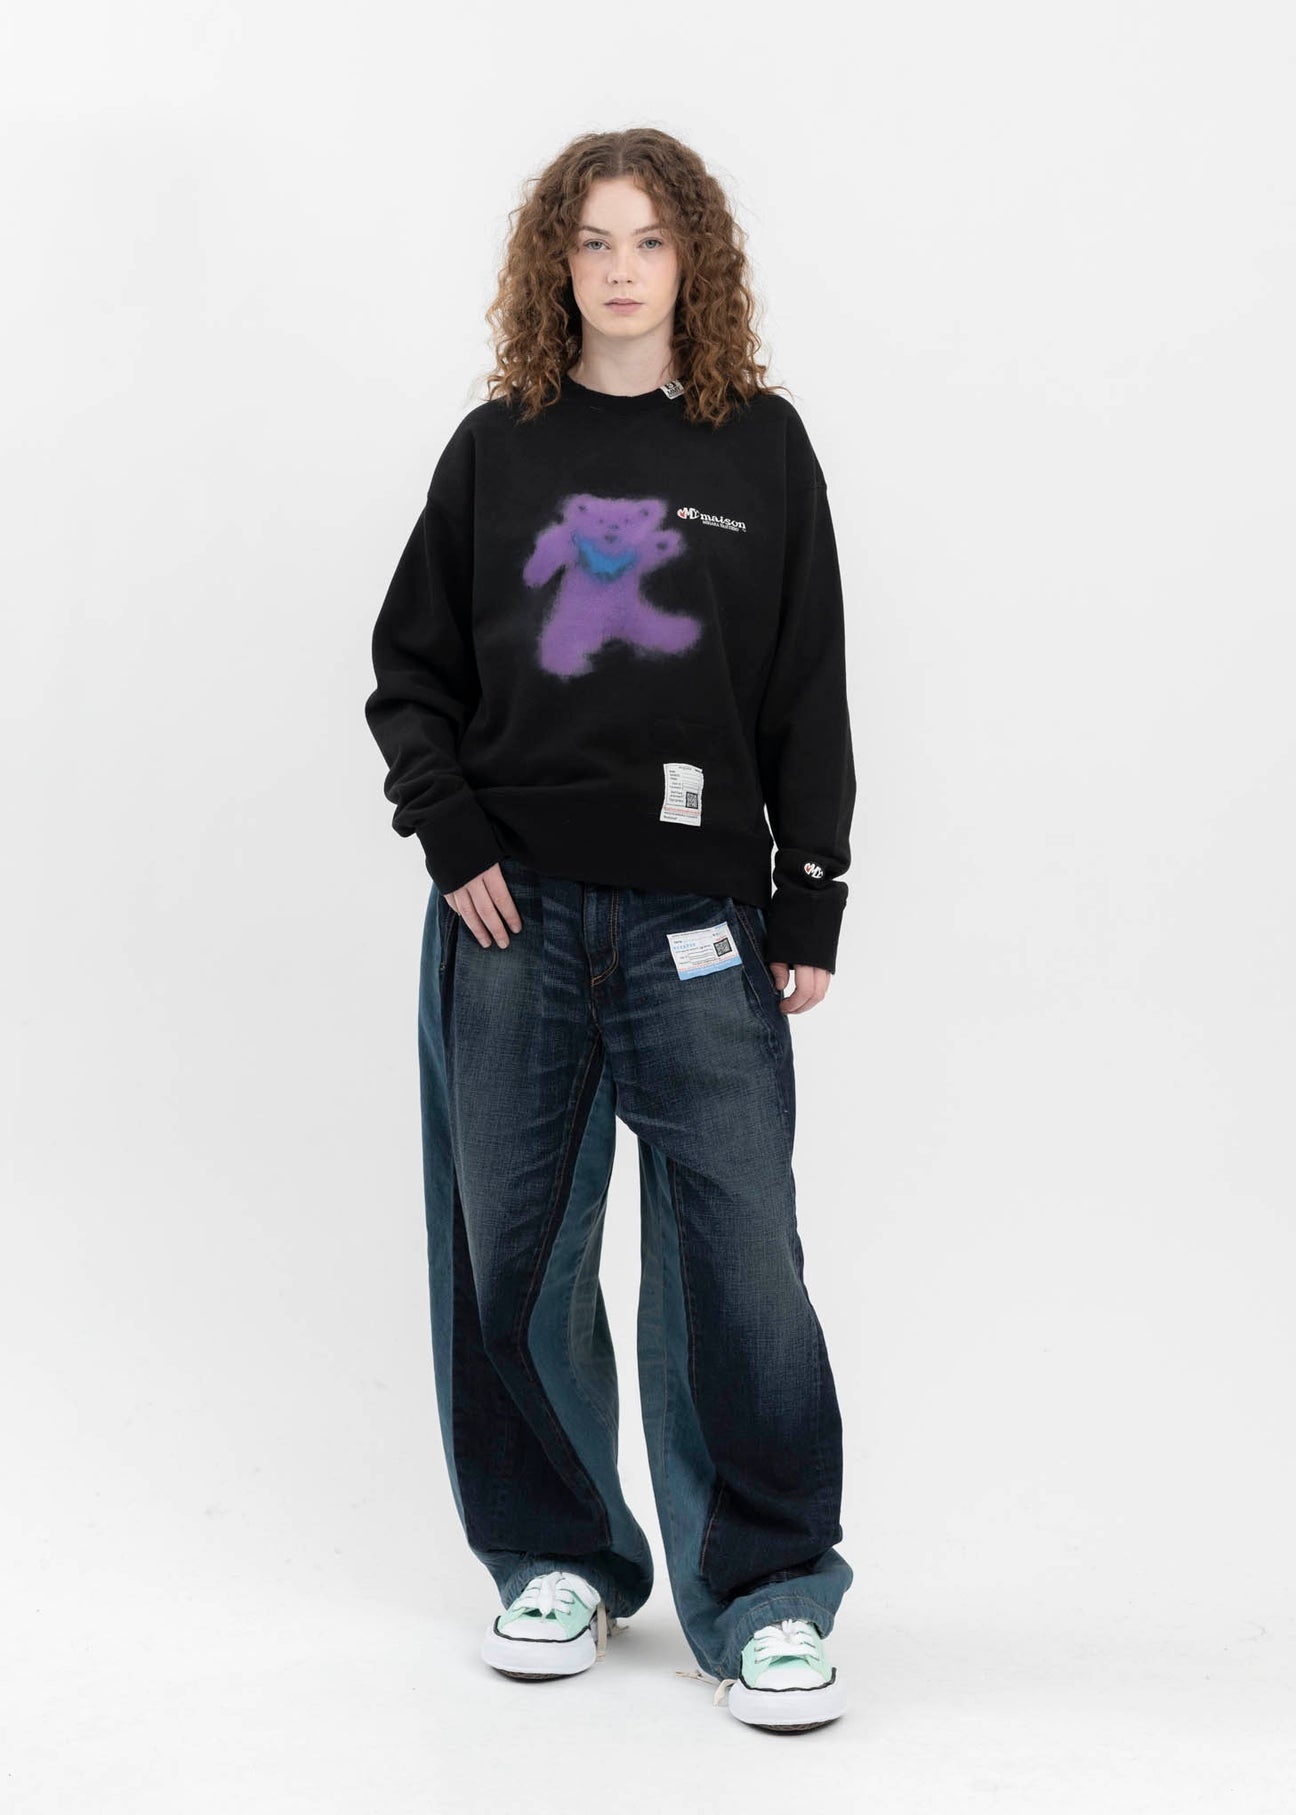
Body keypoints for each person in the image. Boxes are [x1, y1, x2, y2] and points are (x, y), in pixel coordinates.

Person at [364, 127, 857, 1733]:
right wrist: (450, 834)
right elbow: (410, 673)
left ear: (692, 258)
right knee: (515, 1254)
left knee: (740, 1262)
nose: (622, 268)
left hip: (700, 920)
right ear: (555, 265)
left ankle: (767, 1596)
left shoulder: (760, 447)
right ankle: (556, 1558)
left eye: (650, 239)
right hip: (513, 916)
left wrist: (811, 889)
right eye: (593, 241)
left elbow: (807, 683)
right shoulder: (495, 450)